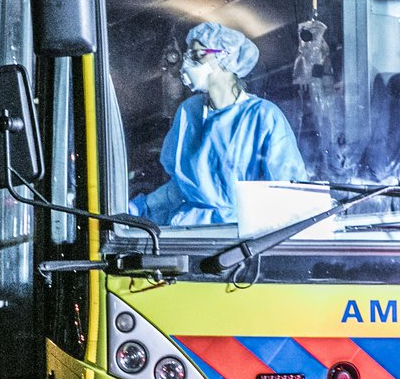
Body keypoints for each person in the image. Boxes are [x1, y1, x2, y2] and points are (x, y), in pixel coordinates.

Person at [131, 22, 308, 226]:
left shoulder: (262, 116)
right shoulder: (189, 112)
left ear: (226, 57)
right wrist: (144, 206)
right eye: (189, 56)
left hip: (239, 236)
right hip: (187, 233)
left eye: (198, 56)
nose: (187, 63)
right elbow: (183, 185)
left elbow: (290, 193)